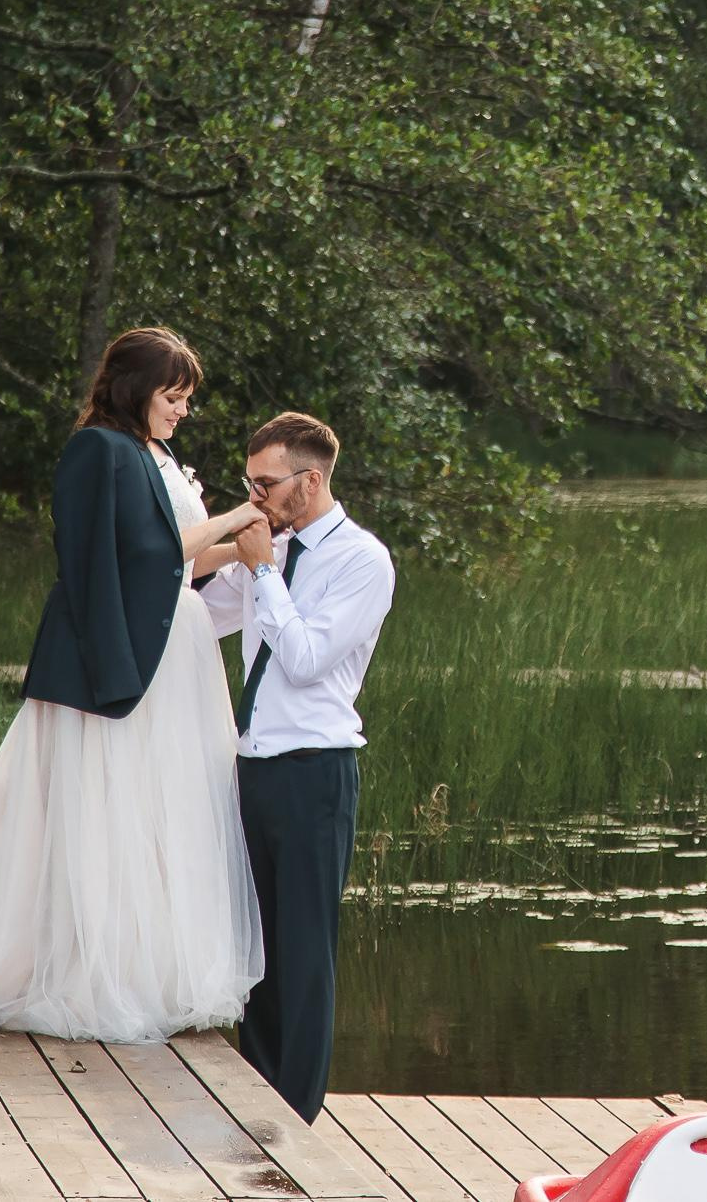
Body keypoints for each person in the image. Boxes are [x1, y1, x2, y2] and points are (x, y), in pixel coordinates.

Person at [0, 327, 266, 1041]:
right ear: (135, 388)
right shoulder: (97, 450)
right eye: (172, 396)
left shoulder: (160, 454)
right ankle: (75, 976)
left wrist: (242, 549)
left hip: (177, 650)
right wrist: (236, 514)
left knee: (160, 813)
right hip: (108, 652)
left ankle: (147, 973)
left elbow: (178, 565)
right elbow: (129, 556)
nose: (182, 410)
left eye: (186, 400)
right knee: (96, 811)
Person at [197, 411, 394, 1124]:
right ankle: (256, 1095)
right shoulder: (263, 549)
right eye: (248, 481)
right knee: (257, 945)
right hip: (251, 767)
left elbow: (307, 659)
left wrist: (263, 572)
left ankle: (298, 1115)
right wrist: (209, 544)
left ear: (309, 481)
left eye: (265, 483)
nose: (255, 496)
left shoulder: (361, 561)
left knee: (305, 950)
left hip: (315, 769)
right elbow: (200, 611)